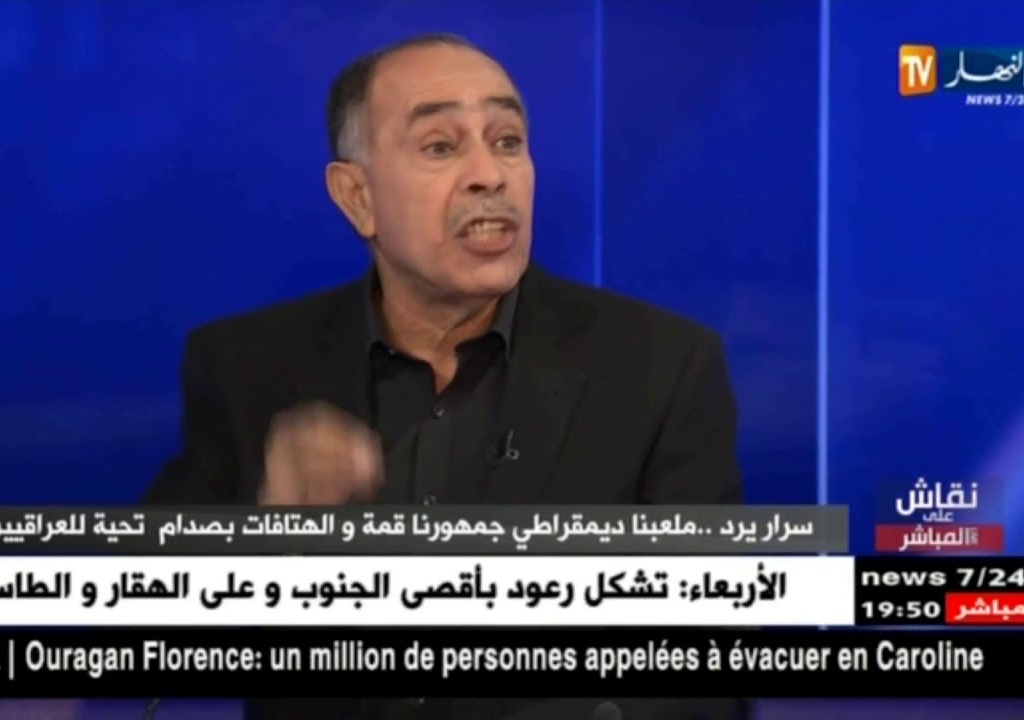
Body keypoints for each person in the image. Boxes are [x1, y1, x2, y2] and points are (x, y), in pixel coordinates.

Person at [148, 33, 749, 720]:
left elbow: (712, 676)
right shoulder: (250, 367)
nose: (489, 175)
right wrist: (266, 528)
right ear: (357, 196)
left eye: (508, 141)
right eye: (440, 146)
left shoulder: (660, 367)